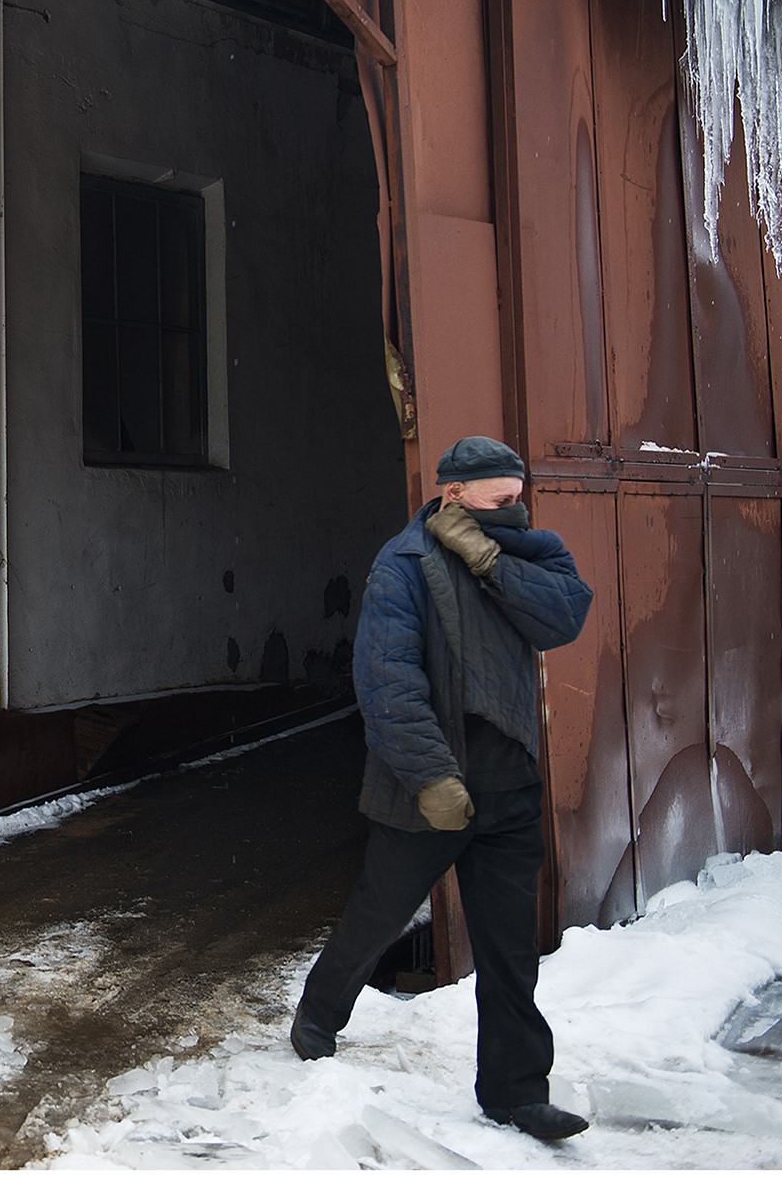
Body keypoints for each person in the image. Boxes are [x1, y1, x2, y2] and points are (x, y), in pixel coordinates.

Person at [289, 435, 595, 1142]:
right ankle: (319, 1013)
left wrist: (490, 560)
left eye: (519, 496)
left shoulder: (527, 551)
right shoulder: (403, 565)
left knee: (511, 953)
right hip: (429, 789)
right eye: (501, 498)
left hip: (510, 787)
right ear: (454, 494)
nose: (516, 508)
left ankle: (517, 1094)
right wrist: (432, 777)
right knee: (378, 915)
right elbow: (388, 682)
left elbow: (563, 616)